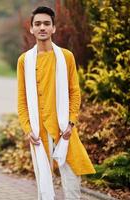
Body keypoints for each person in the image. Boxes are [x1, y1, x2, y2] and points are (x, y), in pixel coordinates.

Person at [17, 6, 96, 200]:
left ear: (53, 28)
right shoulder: (24, 61)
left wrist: (71, 122)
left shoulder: (66, 57)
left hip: (64, 129)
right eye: (37, 24)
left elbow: (74, 92)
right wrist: (28, 129)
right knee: (44, 183)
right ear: (31, 29)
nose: (42, 27)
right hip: (39, 131)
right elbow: (22, 99)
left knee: (72, 183)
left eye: (46, 23)